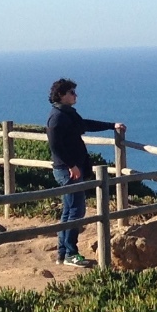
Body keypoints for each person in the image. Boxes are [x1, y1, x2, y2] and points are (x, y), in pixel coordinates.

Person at [45, 78, 125, 268]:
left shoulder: (68, 114)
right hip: (68, 171)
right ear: (61, 95)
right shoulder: (57, 117)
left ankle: (63, 253)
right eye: (72, 92)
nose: (75, 95)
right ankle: (70, 254)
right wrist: (71, 165)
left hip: (71, 169)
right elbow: (55, 145)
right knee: (76, 211)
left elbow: (85, 124)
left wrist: (111, 125)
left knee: (69, 211)